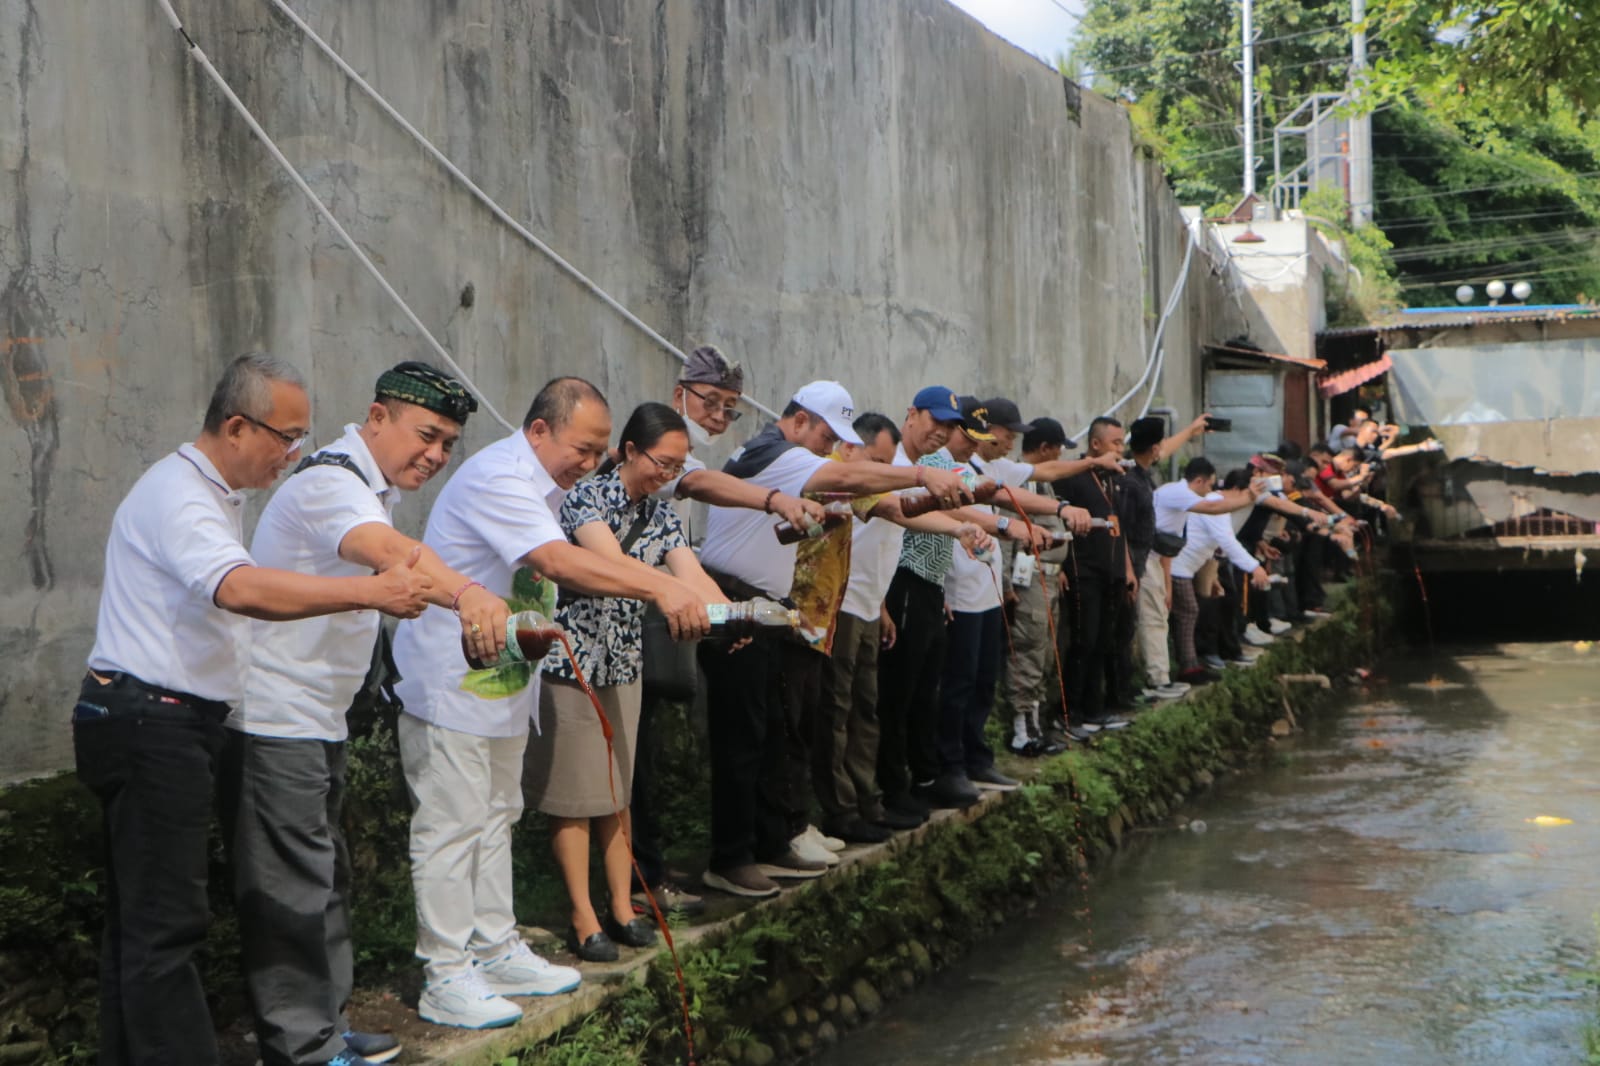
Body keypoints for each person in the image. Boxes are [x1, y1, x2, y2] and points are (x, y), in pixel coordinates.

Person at [75, 353, 432, 1066]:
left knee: (143, 925)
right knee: (167, 927)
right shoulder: (178, 493)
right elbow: (237, 589)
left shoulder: (213, 495)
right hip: (150, 721)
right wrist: (370, 593)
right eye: (286, 437)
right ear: (237, 427)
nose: (294, 454)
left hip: (166, 720)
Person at [391, 377, 710, 1030]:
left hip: (505, 685)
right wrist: (661, 588)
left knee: (495, 817)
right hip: (453, 685)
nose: (590, 464)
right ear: (539, 431)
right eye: (584, 449)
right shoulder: (501, 479)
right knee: (450, 829)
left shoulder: (548, 487)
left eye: (599, 453)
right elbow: (557, 562)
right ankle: (446, 974)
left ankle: (495, 946)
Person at [221, 363, 507, 1066]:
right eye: (426, 434)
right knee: (290, 891)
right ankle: (304, 1048)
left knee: (323, 879)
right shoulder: (331, 485)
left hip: (315, 720)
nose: (435, 455)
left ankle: (326, 1026)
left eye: (447, 444)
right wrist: (469, 595)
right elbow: (388, 556)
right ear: (377, 417)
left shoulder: (364, 488)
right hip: (272, 720)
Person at [697, 381, 972, 898]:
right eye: (825, 434)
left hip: (769, 607)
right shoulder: (777, 454)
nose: (827, 446)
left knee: (773, 732)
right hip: (735, 602)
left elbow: (881, 502)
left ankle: (769, 840)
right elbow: (849, 475)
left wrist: (965, 517)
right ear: (798, 421)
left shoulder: (793, 457)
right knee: (745, 739)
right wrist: (920, 473)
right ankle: (731, 856)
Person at [524, 403, 730, 962]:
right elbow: (613, 565)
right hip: (572, 662)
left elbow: (693, 573)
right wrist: (674, 594)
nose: (669, 473)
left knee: (618, 792)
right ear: (631, 452)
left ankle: (621, 904)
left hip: (624, 663)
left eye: (679, 465)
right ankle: (581, 913)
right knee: (574, 796)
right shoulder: (585, 498)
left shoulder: (663, 516)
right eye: (662, 461)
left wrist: (729, 613)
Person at [630, 347, 824, 918]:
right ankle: (651, 879)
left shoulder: (686, 463)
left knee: (745, 731)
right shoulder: (668, 461)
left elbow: (683, 553)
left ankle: (676, 867)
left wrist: (726, 613)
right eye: (708, 401)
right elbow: (697, 485)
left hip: (691, 604)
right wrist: (773, 499)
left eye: (729, 408)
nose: (716, 416)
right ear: (678, 395)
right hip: (628, 623)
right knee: (641, 762)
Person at [1053, 418, 1140, 737]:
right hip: (1083, 571)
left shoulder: (1112, 479)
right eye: (1115, 443)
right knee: (1083, 641)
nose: (1121, 449)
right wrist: (1061, 567)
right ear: (1095, 445)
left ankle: (1095, 709)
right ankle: (1069, 712)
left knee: (1104, 642)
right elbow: (1055, 517)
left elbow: (1120, 528)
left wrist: (1128, 569)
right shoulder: (1073, 477)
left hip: (1111, 573)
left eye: (1122, 443)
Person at [1167, 460, 1270, 684]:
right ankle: (1188, 666)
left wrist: (1213, 577)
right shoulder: (1215, 504)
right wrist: (1255, 567)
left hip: (1192, 565)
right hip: (1179, 567)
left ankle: (1192, 663)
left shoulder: (1216, 503)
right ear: (1236, 492)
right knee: (1190, 612)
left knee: (1194, 610)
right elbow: (1227, 541)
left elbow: (1217, 545)